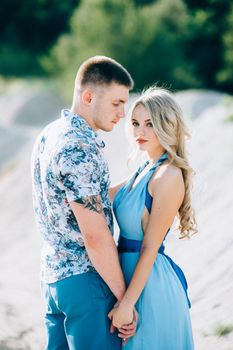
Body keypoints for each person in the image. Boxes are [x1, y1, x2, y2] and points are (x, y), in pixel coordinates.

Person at [31, 55, 137, 350]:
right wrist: (123, 299)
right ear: (88, 96)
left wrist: (139, 181)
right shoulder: (79, 148)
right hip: (86, 281)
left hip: (54, 280)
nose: (122, 113)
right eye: (117, 103)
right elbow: (95, 234)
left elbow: (79, 203)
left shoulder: (51, 134)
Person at [108, 87, 197, 349]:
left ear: (167, 125)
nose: (140, 132)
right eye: (135, 123)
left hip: (150, 288)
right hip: (129, 279)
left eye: (150, 124)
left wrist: (127, 303)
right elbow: (103, 196)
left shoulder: (168, 175)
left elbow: (150, 246)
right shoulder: (143, 169)